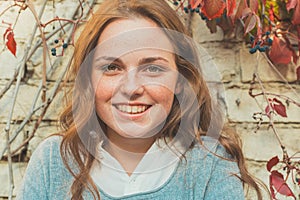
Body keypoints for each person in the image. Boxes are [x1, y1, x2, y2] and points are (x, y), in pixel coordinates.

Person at [17, 0, 264, 199]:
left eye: (153, 69)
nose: (132, 88)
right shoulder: (53, 161)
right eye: (112, 67)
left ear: (180, 80)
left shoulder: (211, 165)